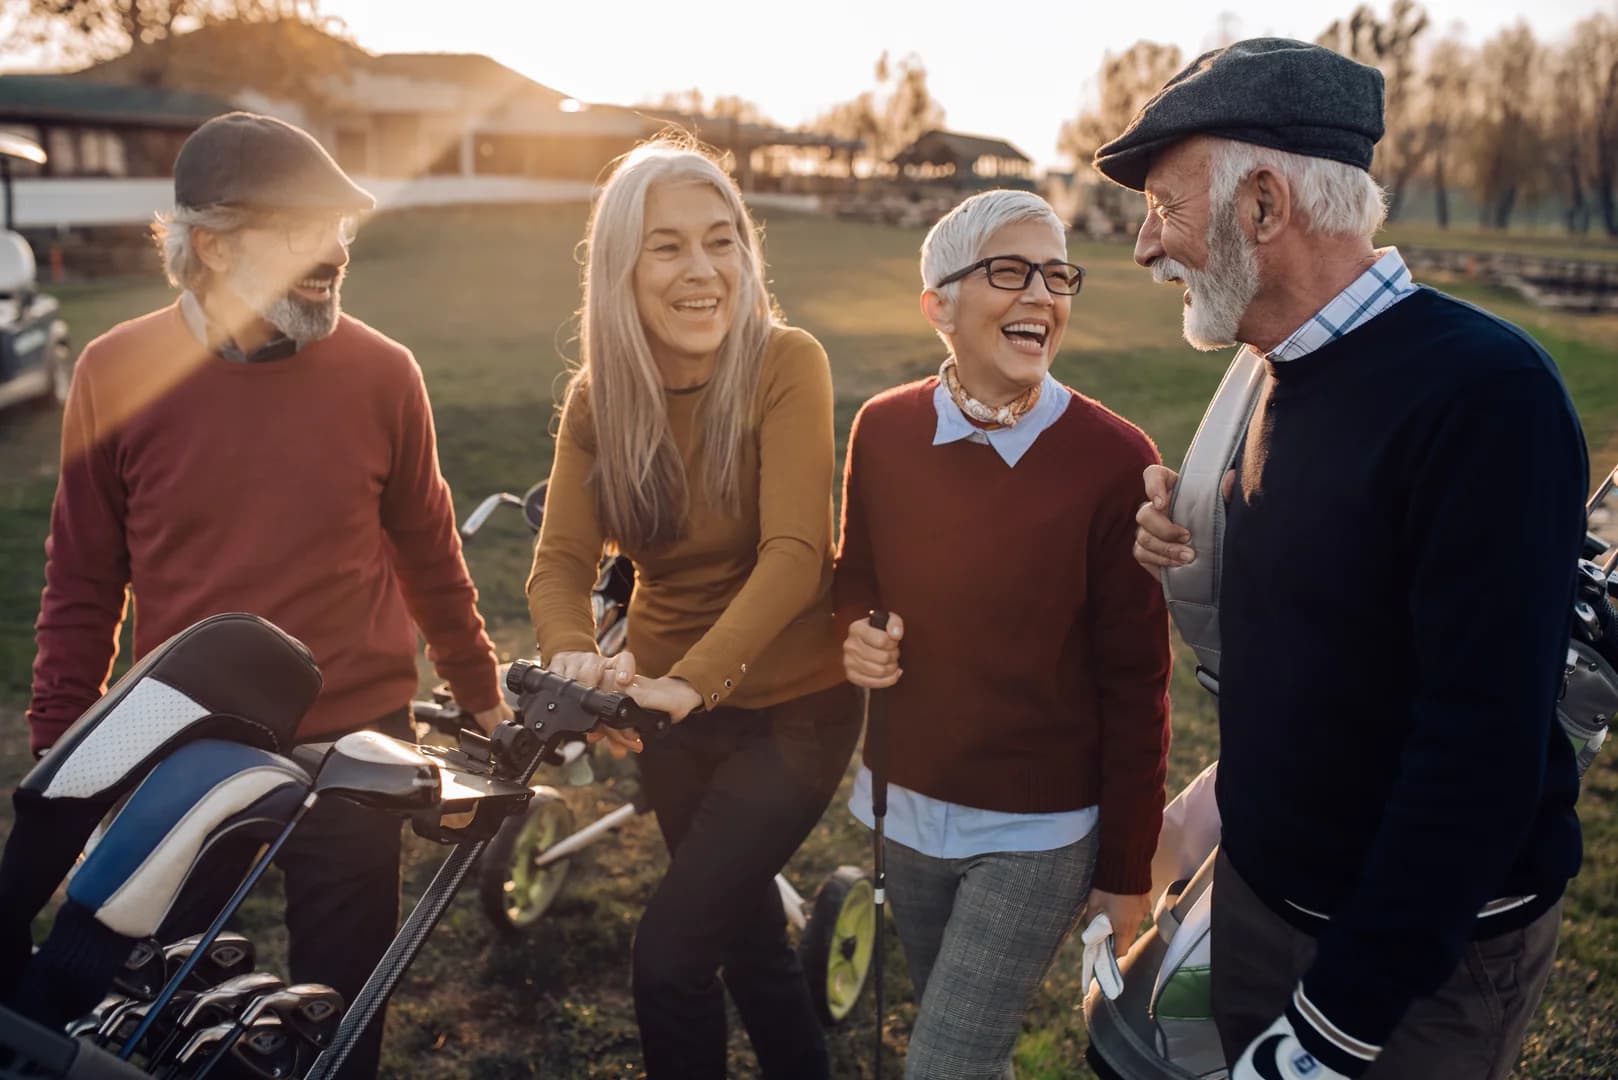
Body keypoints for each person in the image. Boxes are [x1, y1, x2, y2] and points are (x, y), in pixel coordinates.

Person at [1098, 38, 1588, 1080]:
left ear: (1264, 207)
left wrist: (1336, 1022)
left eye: (1163, 207)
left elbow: (1478, 758)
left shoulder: (1486, 399)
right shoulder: (1276, 371)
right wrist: (1193, 540)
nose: (1145, 247)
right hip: (1261, 906)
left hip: (1414, 969)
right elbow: (1324, 627)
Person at [24, 111, 511, 1078]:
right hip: (186, 754)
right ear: (209, 244)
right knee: (162, 1014)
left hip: (357, 754)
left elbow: (428, 555)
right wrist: (61, 762)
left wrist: (483, 694)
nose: (334, 251)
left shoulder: (385, 374)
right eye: (301, 229)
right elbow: (83, 579)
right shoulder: (115, 371)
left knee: (341, 1017)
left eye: (340, 228)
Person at [525, 137, 857, 1080]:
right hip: (667, 715)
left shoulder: (787, 361)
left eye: (722, 240)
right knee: (744, 938)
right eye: (667, 246)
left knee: (668, 960)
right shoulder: (601, 395)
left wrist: (688, 685)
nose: (702, 269)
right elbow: (559, 561)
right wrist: (573, 657)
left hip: (793, 707)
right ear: (622, 267)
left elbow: (797, 555)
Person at [836, 189, 1173, 1079]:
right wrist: (855, 633)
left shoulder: (1115, 459)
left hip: (1040, 832)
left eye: (1057, 276)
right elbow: (855, 575)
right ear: (938, 305)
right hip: (901, 805)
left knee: (942, 1064)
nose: (1042, 296)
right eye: (1009, 272)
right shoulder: (883, 427)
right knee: (970, 1052)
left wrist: (1127, 868)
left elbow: (1138, 681)